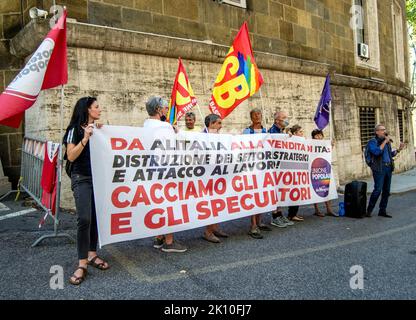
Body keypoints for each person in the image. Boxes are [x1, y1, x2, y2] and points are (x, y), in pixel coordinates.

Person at [64, 96, 110, 286]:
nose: (100, 110)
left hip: (98, 179)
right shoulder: (73, 130)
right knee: (84, 218)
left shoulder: (99, 130)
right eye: (96, 107)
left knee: (95, 217)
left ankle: (92, 254)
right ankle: (82, 263)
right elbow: (71, 156)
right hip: (81, 178)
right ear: (88, 110)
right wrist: (85, 138)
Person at [145, 96, 188, 252]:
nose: (166, 110)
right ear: (158, 109)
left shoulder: (145, 126)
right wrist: (176, 131)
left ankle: (159, 237)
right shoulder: (165, 128)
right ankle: (169, 241)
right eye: (164, 107)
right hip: (166, 169)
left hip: (152, 169)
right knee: (169, 203)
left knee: (157, 202)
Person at [243, 109, 273, 239]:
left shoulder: (267, 132)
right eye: (254, 115)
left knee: (262, 195)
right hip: (252, 169)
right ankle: (253, 225)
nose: (257, 116)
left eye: (259, 114)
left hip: (264, 169)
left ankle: (259, 222)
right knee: (254, 197)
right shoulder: (246, 132)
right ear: (251, 117)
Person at [365, 124, 406, 218]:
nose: (384, 131)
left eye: (385, 129)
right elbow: (376, 152)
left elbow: (390, 154)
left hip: (388, 168)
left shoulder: (386, 142)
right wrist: (385, 142)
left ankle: (382, 210)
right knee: (378, 190)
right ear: (377, 132)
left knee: (386, 191)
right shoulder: (372, 142)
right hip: (379, 169)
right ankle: (369, 210)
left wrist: (399, 149)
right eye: (382, 130)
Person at [202, 114, 229, 243]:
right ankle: (208, 232)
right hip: (207, 177)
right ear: (211, 124)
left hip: (218, 174)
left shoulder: (218, 136)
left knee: (218, 203)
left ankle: (215, 227)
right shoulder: (201, 137)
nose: (221, 125)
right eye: (218, 123)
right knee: (211, 204)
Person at [268, 111, 294, 228]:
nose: (286, 120)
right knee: (275, 191)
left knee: (281, 191)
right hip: (274, 167)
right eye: (284, 118)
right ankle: (275, 216)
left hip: (281, 166)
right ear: (277, 120)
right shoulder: (272, 132)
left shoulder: (282, 132)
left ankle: (279, 213)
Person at [311, 129, 338, 217]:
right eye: (316, 135)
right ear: (313, 137)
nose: (318, 137)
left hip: (324, 169)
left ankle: (329, 209)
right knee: (315, 189)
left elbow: (327, 153)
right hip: (315, 170)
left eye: (320, 135)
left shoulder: (325, 144)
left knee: (327, 189)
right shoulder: (310, 144)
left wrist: (331, 146)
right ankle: (317, 210)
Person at [287, 125, 305, 222]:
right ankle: (291, 214)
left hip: (299, 171)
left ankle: (293, 214)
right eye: (300, 132)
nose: (302, 134)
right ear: (294, 134)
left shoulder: (303, 142)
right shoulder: (290, 142)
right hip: (292, 171)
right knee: (294, 192)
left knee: (297, 192)